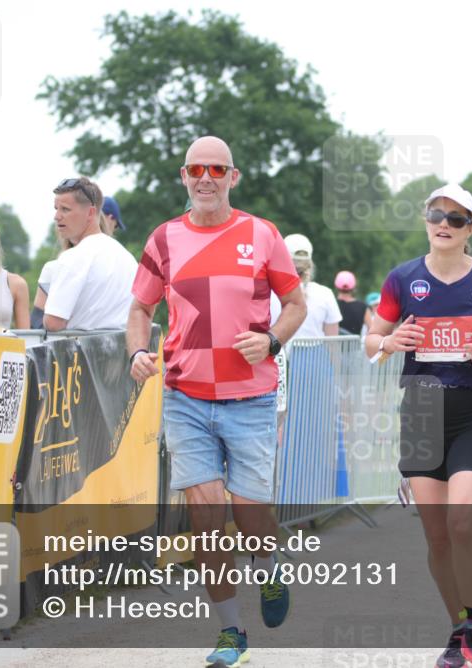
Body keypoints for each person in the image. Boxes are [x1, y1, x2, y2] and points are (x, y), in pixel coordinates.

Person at [126, 136, 307, 667]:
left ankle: (268, 569)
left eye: (217, 169)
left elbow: (295, 304)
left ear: (234, 177)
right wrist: (137, 351)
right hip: (185, 397)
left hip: (250, 397)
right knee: (206, 516)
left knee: (250, 515)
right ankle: (232, 632)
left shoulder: (262, 234)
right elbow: (139, 309)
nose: (206, 178)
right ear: (184, 176)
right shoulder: (163, 239)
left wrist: (271, 340)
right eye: (197, 169)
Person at [365, 183, 472, 668]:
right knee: (436, 536)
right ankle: (459, 633)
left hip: (470, 413)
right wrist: (391, 342)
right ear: (426, 220)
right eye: (437, 215)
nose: (445, 225)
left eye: (457, 219)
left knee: (462, 522)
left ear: (471, 229)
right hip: (420, 413)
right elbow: (372, 339)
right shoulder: (402, 278)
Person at [43, 177, 137, 331]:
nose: (57, 216)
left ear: (90, 213)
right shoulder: (128, 258)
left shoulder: (73, 257)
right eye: (56, 208)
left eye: (65, 209)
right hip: (128, 344)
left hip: (84, 346)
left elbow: (53, 323)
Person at [284, 233, 341, 338]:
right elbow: (332, 341)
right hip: (316, 349)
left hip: (279, 349)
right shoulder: (325, 293)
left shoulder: (269, 293)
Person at [334, 270, 372, 336]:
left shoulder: (331, 304)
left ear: (336, 286)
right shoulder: (363, 307)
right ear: (354, 287)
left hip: (333, 342)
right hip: (355, 342)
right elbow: (371, 329)